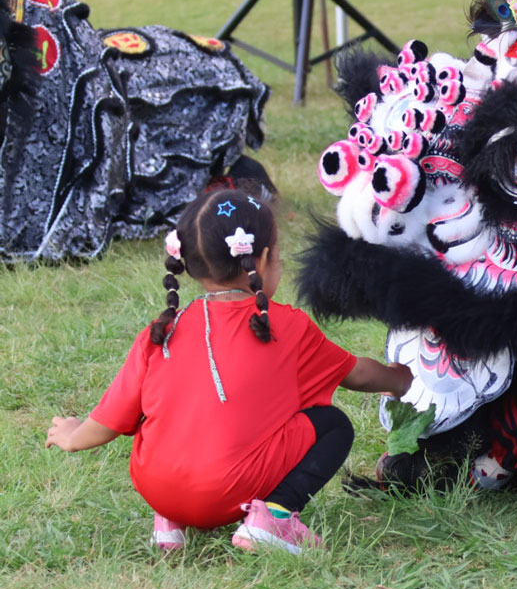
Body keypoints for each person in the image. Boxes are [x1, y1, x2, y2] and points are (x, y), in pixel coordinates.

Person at [45, 189, 412, 554]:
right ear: (265, 259)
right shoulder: (287, 326)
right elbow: (357, 375)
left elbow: (112, 417)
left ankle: (170, 523)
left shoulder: (163, 330)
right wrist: (400, 379)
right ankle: (275, 519)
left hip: (156, 487)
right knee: (332, 424)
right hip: (224, 491)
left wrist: (74, 435)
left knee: (178, 411)